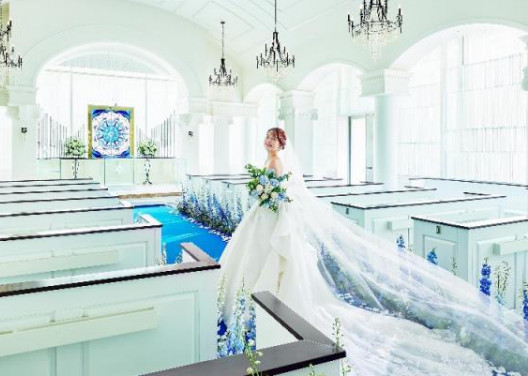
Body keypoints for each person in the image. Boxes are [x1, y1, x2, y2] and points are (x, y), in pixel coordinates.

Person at [220, 127, 528, 376]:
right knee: (261, 253)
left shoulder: (277, 163)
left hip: (274, 217)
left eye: (273, 138)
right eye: (267, 137)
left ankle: (271, 302)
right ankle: (259, 300)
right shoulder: (269, 161)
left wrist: (269, 193)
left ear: (281, 144)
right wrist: (265, 192)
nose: (268, 141)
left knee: (278, 257)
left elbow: (285, 190)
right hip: (267, 215)